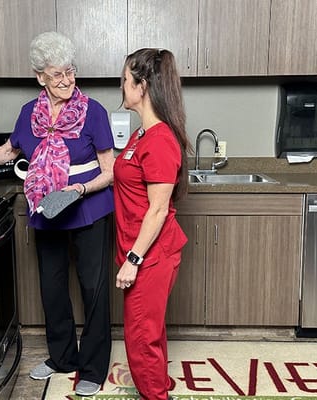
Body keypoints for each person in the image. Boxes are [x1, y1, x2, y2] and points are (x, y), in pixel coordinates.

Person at [0, 32, 115, 397]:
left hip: (88, 205)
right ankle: (63, 358)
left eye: (71, 72)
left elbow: (111, 170)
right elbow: (11, 150)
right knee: (52, 287)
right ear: (39, 76)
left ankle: (91, 367)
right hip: (47, 208)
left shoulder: (93, 112)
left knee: (94, 289)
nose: (67, 81)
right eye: (57, 75)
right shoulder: (29, 113)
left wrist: (79, 189)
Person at [113, 48, 192, 400]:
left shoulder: (159, 139)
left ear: (142, 86)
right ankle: (159, 386)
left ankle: (156, 395)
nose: (122, 85)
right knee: (150, 331)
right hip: (144, 251)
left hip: (150, 256)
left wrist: (133, 259)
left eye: (125, 80)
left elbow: (158, 210)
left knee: (141, 338)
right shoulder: (141, 135)